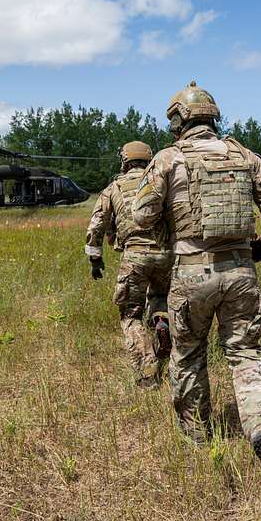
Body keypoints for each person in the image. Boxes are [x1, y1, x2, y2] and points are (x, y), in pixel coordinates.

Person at [132, 81, 261, 487]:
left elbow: (141, 215)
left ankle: (199, 439)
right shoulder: (245, 156)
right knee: (245, 354)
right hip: (241, 270)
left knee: (188, 355)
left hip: (190, 273)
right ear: (213, 116)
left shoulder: (169, 160)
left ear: (177, 119)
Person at [85, 141, 172, 389]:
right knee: (161, 296)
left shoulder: (114, 188)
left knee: (130, 314)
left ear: (124, 161)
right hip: (166, 254)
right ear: (148, 159)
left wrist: (95, 257)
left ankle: (148, 371)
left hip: (134, 256)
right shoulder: (159, 183)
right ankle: (160, 320)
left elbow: (96, 225)